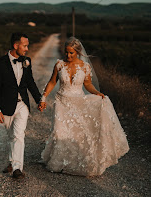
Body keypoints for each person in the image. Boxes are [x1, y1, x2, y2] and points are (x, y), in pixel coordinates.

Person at [39, 36, 129, 176]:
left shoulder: (85, 66)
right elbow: (52, 82)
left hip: (78, 102)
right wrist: (43, 97)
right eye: (66, 52)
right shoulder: (59, 64)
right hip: (62, 102)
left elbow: (87, 84)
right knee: (59, 132)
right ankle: (59, 162)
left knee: (75, 134)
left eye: (71, 53)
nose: (68, 55)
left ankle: (73, 163)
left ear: (78, 52)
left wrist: (97, 93)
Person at [0, 32, 42, 179]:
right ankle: (12, 161)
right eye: (25, 46)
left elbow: (30, 83)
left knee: (19, 135)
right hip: (6, 106)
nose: (27, 49)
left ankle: (16, 168)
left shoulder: (27, 61)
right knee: (11, 136)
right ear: (15, 45)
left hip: (22, 105)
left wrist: (39, 99)